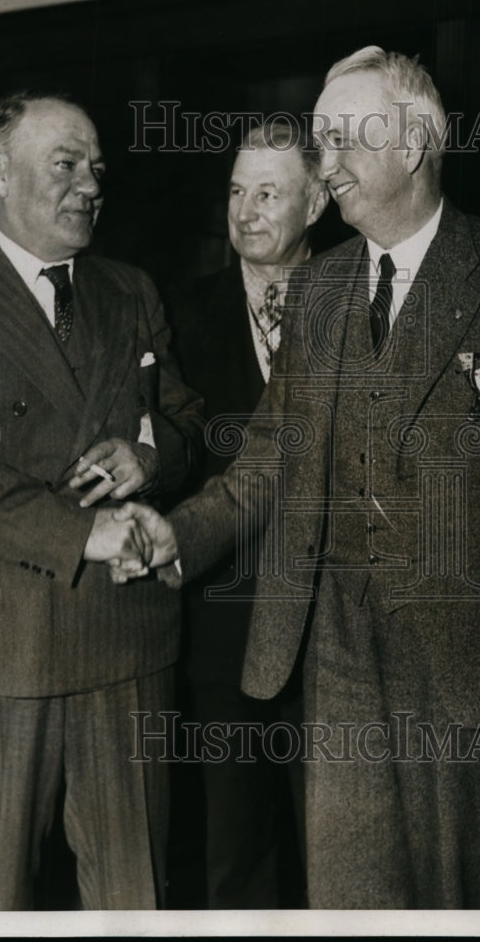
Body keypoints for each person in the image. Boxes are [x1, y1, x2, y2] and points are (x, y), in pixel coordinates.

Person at [102, 47, 480, 908]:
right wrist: (183, 532)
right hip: (336, 651)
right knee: (346, 900)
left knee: (449, 901)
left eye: (344, 135)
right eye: (320, 139)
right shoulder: (319, 291)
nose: (328, 160)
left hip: (466, 651)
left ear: (412, 144)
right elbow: (269, 454)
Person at [0, 90, 204, 911]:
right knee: (2, 890)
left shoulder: (128, 288)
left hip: (126, 632)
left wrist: (146, 457)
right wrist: (80, 530)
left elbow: (186, 422)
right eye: (66, 163)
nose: (90, 184)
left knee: (137, 886)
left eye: (96, 167)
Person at [165, 122, 328, 908]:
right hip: (221, 620)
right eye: (235, 191)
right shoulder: (175, 312)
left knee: (337, 854)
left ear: (319, 200)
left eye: (268, 192)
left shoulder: (362, 302)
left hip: (331, 627)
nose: (245, 211)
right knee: (232, 851)